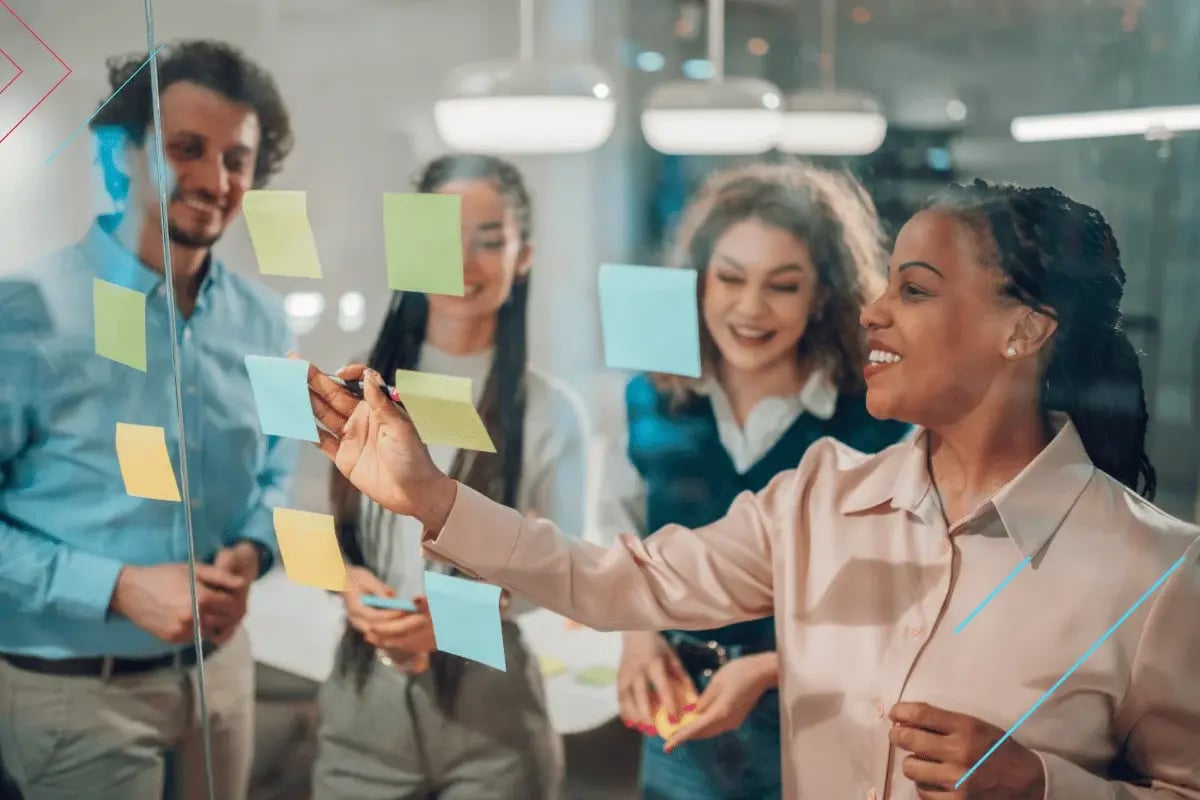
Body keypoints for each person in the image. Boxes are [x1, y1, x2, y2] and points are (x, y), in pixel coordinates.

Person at [303, 179, 1200, 799]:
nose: (873, 312)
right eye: (883, 284)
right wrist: (427, 495)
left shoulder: (1158, 570)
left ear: (1023, 331)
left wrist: (1046, 787)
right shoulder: (816, 497)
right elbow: (616, 577)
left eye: (914, 290)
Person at [0, 40, 297, 800]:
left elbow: (277, 470)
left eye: (237, 158)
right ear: (126, 154)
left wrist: (255, 552)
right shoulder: (25, 314)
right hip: (74, 696)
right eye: (186, 149)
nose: (215, 179)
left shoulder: (264, 323)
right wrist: (114, 586)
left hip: (222, 682)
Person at [598, 163, 909, 798]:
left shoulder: (878, 423)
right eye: (730, 278)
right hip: (679, 716)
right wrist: (637, 636)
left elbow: (905, 602)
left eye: (783, 286)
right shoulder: (650, 402)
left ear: (822, 295)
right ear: (700, 283)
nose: (749, 308)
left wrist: (773, 669)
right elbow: (620, 537)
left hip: (824, 723)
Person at [310, 154, 591, 800]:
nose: (465, 261)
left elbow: (567, 570)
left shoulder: (548, 409)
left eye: (490, 241)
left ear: (524, 256)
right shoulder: (357, 386)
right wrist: (346, 582)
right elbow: (306, 523)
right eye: (441, 236)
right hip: (361, 703)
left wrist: (460, 615)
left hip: (493, 714)